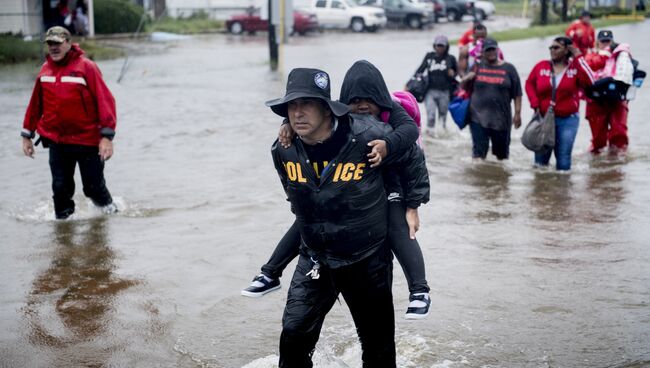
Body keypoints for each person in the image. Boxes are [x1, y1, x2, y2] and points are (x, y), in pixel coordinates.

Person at [243, 61, 433, 320]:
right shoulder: (344, 123)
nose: (362, 105)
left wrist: (413, 205)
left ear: (381, 98)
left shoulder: (394, 114)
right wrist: (288, 125)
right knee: (308, 219)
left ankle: (419, 291)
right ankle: (270, 273)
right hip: (360, 182)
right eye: (354, 101)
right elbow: (312, 122)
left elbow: (414, 153)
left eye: (369, 99)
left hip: (395, 174)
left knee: (399, 227)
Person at [21, 26, 117, 220]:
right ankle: (63, 234)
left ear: (68, 43)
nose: (53, 47)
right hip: (57, 141)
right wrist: (26, 135)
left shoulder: (87, 67)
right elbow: (35, 105)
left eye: (57, 43)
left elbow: (105, 100)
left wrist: (106, 137)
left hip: (88, 141)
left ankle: (111, 215)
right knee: (60, 189)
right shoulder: (45, 69)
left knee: (93, 188)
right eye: (50, 43)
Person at [525, 36, 595, 171]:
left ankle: (562, 190)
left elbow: (591, 81)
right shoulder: (541, 66)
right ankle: (541, 190)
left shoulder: (575, 67)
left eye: (556, 47)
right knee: (540, 162)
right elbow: (529, 84)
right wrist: (534, 103)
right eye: (551, 47)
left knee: (563, 160)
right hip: (544, 118)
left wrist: (579, 57)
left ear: (566, 50)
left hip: (568, 120)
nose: (552, 50)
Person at [461, 38, 522, 160]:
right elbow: (463, 87)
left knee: (501, 158)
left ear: (497, 50)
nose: (491, 53)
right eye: (487, 50)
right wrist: (467, 77)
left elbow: (517, 93)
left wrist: (517, 114)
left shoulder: (509, 69)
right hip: (477, 118)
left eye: (493, 49)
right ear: (482, 53)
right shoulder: (477, 67)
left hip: (501, 120)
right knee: (478, 157)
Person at [585, 30, 635, 155]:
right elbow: (590, 66)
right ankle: (597, 160)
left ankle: (616, 165)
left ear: (612, 41)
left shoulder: (621, 54)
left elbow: (629, 73)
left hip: (617, 100)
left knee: (619, 134)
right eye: (603, 41)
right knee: (598, 139)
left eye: (608, 41)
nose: (606, 44)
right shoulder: (590, 54)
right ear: (597, 42)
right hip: (596, 101)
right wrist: (605, 55)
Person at [414, 35, 458, 132]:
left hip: (445, 92)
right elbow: (419, 70)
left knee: (443, 117)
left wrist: (453, 74)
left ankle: (441, 136)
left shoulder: (451, 58)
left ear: (446, 47)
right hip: (430, 91)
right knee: (431, 115)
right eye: (438, 45)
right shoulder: (429, 56)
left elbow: (457, 73)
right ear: (434, 46)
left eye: (442, 46)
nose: (440, 48)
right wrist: (410, 85)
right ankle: (430, 136)